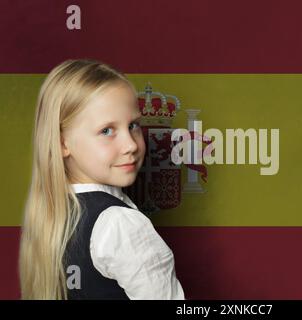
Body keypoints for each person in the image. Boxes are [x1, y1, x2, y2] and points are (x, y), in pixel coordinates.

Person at [19, 59, 185, 300]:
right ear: (63, 142)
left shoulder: (49, 214)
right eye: (107, 130)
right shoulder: (119, 224)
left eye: (134, 125)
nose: (130, 144)